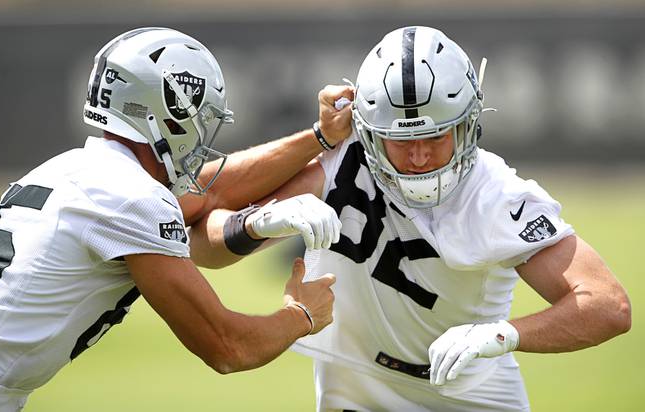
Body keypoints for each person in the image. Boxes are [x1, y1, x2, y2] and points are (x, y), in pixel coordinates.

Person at [227, 26, 630, 411]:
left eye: (435, 137)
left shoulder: (496, 195)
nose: (418, 158)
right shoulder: (341, 162)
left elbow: (608, 305)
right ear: (368, 133)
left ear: (468, 125)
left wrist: (505, 333)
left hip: (472, 395)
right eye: (400, 140)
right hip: (355, 392)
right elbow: (205, 237)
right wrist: (255, 223)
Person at [0, 27, 352, 412]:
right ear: (165, 113)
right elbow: (229, 347)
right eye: (201, 115)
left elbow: (209, 193)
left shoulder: (71, 169)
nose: (201, 130)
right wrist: (302, 315)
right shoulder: (131, 198)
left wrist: (320, 137)